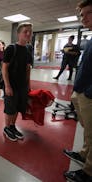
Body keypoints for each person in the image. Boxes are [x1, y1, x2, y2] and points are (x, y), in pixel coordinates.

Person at [63, 0, 92, 181]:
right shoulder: (89, 40)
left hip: (89, 95)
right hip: (81, 91)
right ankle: (83, 154)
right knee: (87, 130)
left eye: (87, 13)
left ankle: (88, 172)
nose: (83, 18)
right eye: (81, 15)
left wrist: (89, 92)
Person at [2, 22, 33, 141]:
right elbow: (4, 68)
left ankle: (12, 126)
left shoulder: (28, 49)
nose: (28, 34)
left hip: (22, 86)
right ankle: (6, 128)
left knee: (18, 108)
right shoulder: (11, 48)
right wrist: (7, 86)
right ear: (19, 33)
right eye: (25, 31)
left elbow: (27, 69)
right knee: (10, 109)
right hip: (11, 85)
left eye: (30, 31)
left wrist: (28, 86)